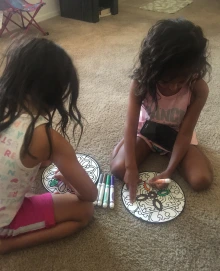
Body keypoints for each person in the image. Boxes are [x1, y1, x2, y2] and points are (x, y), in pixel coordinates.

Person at [0, 37, 97, 254]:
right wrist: (72, 184)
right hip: (2, 223)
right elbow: (89, 194)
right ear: (56, 94)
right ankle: (9, 244)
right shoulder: (48, 138)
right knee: (85, 211)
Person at [110, 18, 213, 202]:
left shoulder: (199, 89)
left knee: (201, 180)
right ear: (152, 68)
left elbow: (185, 133)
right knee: (119, 169)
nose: (174, 87)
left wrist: (169, 171)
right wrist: (131, 167)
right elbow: (131, 125)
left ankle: (171, 157)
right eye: (166, 81)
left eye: (181, 81)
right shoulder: (141, 82)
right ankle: (125, 145)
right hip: (147, 132)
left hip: (176, 135)